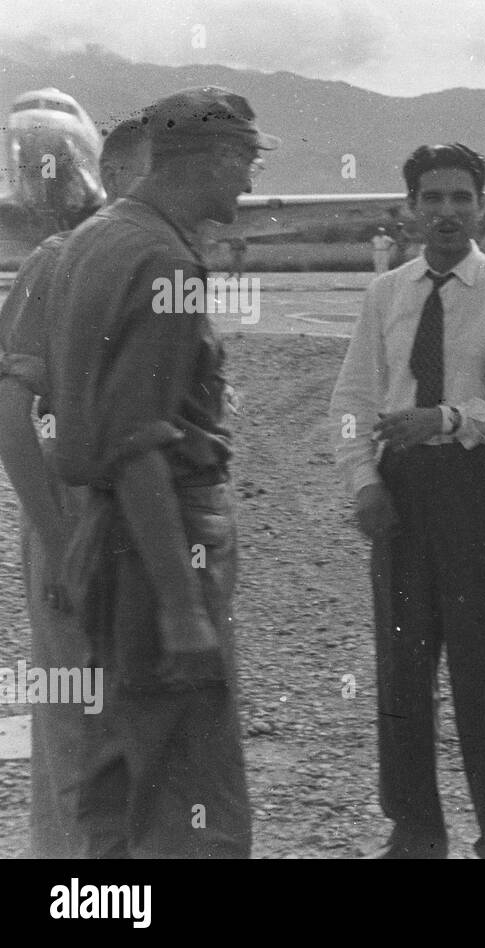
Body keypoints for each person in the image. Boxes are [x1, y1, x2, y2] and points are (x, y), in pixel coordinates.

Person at [47, 86, 277, 858]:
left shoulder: (93, 239)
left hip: (103, 542)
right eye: (244, 159)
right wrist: (183, 606)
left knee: (118, 782)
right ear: (212, 156)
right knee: (193, 796)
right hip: (163, 544)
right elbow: (139, 444)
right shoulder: (165, 260)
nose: (247, 181)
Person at [330, 143, 485, 859]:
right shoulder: (385, 293)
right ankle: (415, 828)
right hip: (401, 489)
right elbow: (354, 398)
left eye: (462, 197)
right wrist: (364, 482)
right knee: (402, 665)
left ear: (482, 206)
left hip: (478, 486)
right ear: (412, 208)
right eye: (433, 198)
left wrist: (450, 419)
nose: (447, 211)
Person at [0, 117, 149, 857]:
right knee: (83, 725)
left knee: (99, 723)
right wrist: (64, 547)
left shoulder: (103, 258)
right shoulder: (67, 262)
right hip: (84, 514)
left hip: (114, 518)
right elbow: (10, 417)